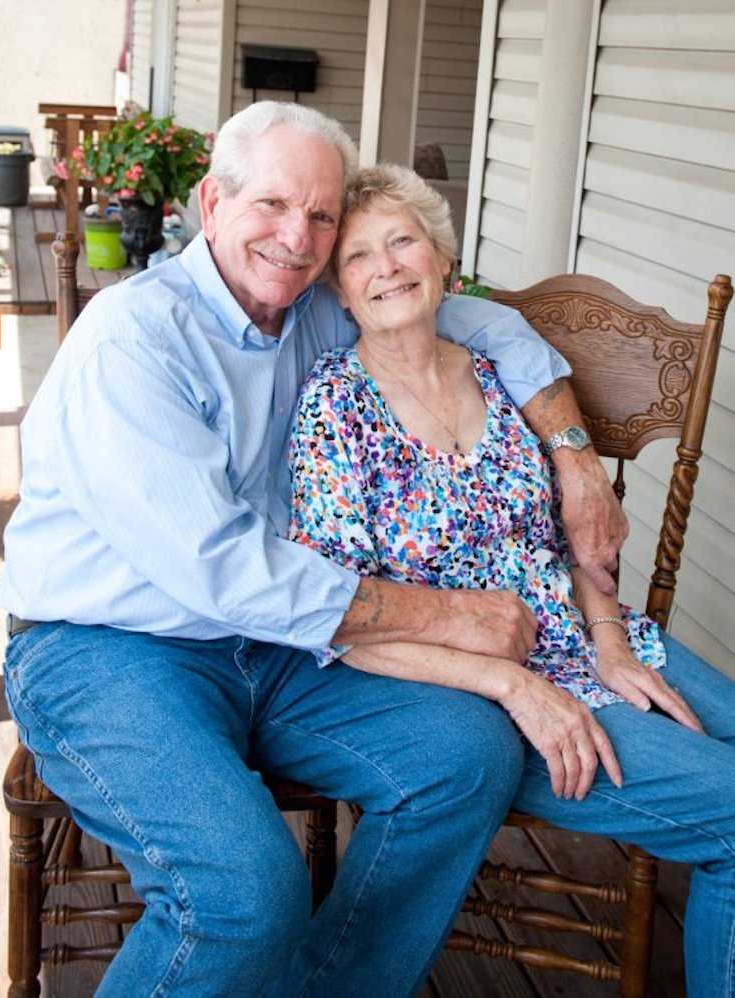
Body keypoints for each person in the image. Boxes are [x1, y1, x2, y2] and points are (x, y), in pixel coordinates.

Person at [0, 101, 627, 997]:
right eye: (272, 206)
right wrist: (454, 617)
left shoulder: (308, 314)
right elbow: (223, 568)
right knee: (244, 893)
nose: (298, 238)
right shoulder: (134, 339)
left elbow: (478, 326)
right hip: (108, 650)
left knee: (464, 758)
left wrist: (573, 457)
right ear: (212, 203)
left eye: (323, 217)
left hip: (271, 645)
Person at [288, 162, 735, 996]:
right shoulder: (334, 410)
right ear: (338, 293)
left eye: (403, 242)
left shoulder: (498, 378)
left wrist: (609, 640)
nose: (386, 267)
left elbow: (571, 541)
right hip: (484, 697)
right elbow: (341, 621)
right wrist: (512, 687)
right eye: (357, 257)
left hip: (596, 639)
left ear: (442, 261)